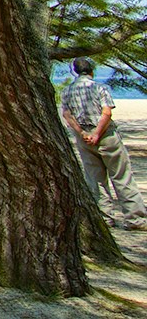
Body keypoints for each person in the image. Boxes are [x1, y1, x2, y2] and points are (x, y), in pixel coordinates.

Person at [61, 57, 147, 229]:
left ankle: (104, 218)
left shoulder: (67, 91)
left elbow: (67, 115)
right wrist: (97, 133)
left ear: (75, 71)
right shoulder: (100, 88)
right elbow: (106, 113)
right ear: (91, 70)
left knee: (95, 179)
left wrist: (83, 133)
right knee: (121, 176)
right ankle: (135, 219)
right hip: (106, 136)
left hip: (84, 137)